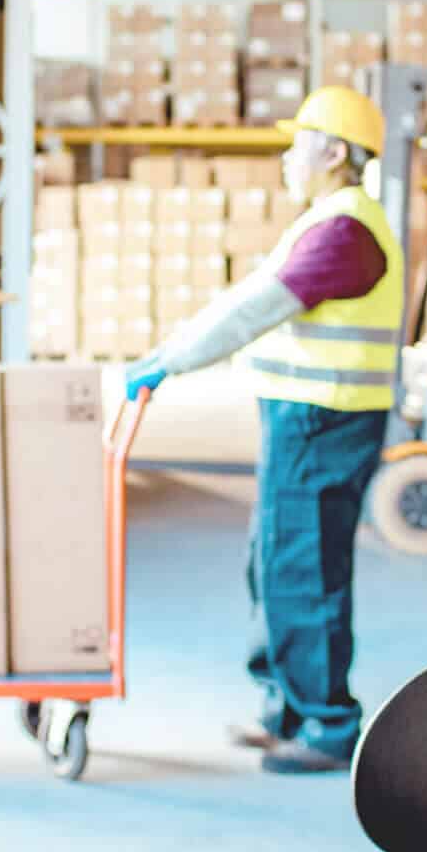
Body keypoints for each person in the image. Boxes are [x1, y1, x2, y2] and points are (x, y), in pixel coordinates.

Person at [125, 86, 405, 775]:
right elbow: (249, 298)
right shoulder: (327, 222)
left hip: (325, 419)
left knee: (302, 569)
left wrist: (171, 361)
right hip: (307, 416)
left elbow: (255, 309)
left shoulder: (345, 232)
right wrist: (171, 349)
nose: (286, 157)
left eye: (298, 143)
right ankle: (283, 706)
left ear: (334, 154)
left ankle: (327, 725)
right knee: (274, 561)